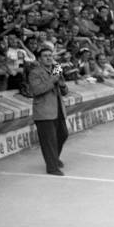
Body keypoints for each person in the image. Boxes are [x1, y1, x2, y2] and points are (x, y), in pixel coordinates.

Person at [28, 48, 69, 176]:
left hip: (58, 109)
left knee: (63, 134)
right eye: (45, 56)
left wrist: (62, 85)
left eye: (50, 55)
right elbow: (36, 90)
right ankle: (52, 167)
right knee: (49, 140)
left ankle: (54, 158)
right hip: (44, 111)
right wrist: (52, 80)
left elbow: (65, 90)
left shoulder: (56, 69)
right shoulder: (35, 72)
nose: (48, 58)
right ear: (39, 59)